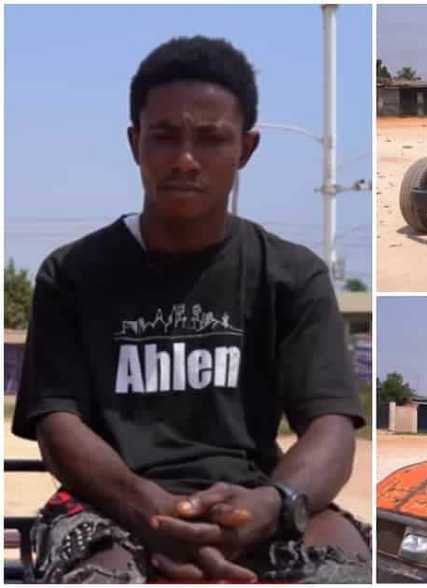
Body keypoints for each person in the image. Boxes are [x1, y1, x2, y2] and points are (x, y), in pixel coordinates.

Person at [11, 36, 371, 583]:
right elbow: (57, 425)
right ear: (135, 143)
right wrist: (152, 512)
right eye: (164, 136)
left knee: (338, 571)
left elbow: (330, 428)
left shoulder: (292, 275)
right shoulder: (72, 274)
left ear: (245, 150)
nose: (185, 160)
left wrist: (273, 505)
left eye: (210, 139)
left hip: (253, 503)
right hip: (108, 504)